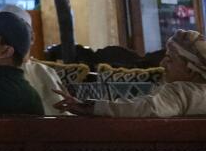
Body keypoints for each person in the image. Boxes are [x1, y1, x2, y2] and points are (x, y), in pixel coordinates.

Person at [63, 29, 206, 117]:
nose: (162, 64)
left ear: (190, 69)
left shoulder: (181, 92)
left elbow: (143, 108)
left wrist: (90, 107)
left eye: (169, 60)